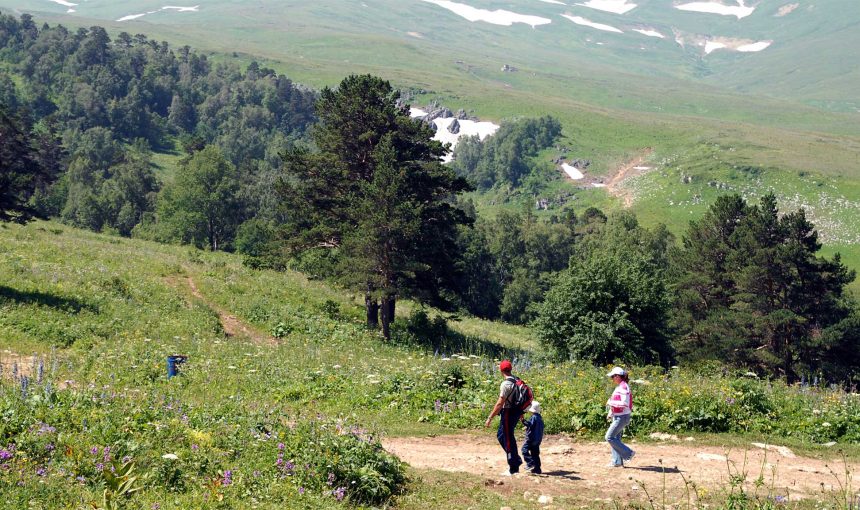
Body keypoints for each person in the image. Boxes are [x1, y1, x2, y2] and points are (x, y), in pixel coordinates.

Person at [484, 359, 523, 475]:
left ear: (501, 371)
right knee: (504, 436)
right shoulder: (517, 380)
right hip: (516, 412)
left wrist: (490, 417)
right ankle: (516, 460)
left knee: (506, 438)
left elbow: (500, 403)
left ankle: (513, 468)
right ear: (511, 369)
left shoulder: (506, 384)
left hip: (508, 413)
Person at [605, 366, 635, 468]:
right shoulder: (621, 386)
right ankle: (617, 461)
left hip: (622, 417)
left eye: (613, 376)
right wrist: (611, 412)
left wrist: (610, 402)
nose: (612, 379)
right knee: (615, 438)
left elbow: (624, 403)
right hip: (618, 416)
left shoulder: (623, 387)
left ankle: (628, 453)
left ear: (618, 376)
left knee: (609, 437)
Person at [521, 400, 544, 474]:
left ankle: (530, 462)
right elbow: (534, 426)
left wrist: (522, 420)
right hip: (537, 439)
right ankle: (537, 469)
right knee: (535, 454)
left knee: (524, 450)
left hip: (531, 438)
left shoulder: (534, 417)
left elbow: (529, 424)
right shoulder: (540, 418)